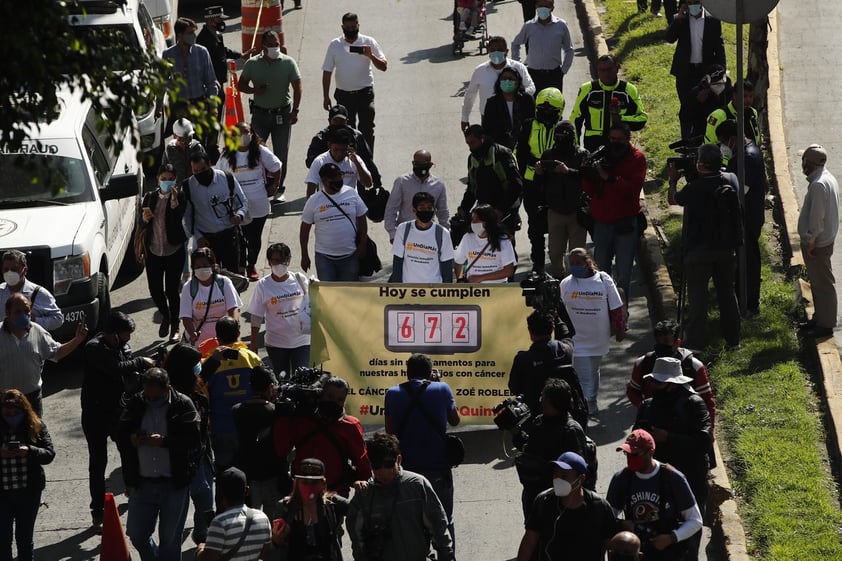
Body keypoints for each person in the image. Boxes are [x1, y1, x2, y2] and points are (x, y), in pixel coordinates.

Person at [82, 311, 155, 532]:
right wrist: (141, 361)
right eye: (125, 335)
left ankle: (132, 489)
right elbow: (116, 368)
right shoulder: (94, 347)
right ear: (113, 333)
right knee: (98, 462)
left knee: (128, 451)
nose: (128, 340)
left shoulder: (121, 346)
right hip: (95, 414)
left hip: (117, 411)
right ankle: (98, 511)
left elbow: (128, 368)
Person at [634, 357, 712, 561]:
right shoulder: (648, 406)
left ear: (671, 385)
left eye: (658, 383)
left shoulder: (694, 404)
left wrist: (669, 437)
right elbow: (635, 437)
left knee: (689, 532)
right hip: (656, 481)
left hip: (690, 476)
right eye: (652, 382)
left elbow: (703, 441)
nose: (653, 386)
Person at [120, 368, 201, 561]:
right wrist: (131, 438)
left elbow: (194, 442)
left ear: (168, 389)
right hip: (143, 482)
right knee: (137, 535)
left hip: (174, 483)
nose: (151, 400)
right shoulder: (136, 403)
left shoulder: (183, 404)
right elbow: (120, 433)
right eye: (148, 395)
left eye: (156, 397)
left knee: (170, 541)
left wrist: (165, 442)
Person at [667, 144, 741, 349]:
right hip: (726, 249)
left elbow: (673, 200)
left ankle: (697, 343)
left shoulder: (695, 187)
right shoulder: (731, 180)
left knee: (698, 299)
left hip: (698, 251)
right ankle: (733, 341)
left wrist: (673, 180)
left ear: (700, 164)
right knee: (727, 293)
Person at [384, 354, 460, 541]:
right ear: (430, 372)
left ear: (407, 372)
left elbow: (389, 431)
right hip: (438, 466)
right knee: (444, 519)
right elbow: (455, 420)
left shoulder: (392, 393)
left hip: (407, 469)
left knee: (410, 521)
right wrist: (438, 383)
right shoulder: (442, 389)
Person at [347, 432, 454, 561]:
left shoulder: (417, 485)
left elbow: (438, 526)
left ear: (399, 459)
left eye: (388, 464)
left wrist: (446, 556)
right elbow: (357, 538)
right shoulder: (365, 494)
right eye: (376, 466)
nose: (383, 471)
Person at [606, 429, 703, 561]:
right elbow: (607, 517)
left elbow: (695, 520)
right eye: (627, 453)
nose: (630, 458)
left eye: (635, 454)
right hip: (635, 553)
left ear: (650, 451)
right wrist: (622, 525)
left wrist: (671, 538)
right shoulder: (622, 478)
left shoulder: (672, 477)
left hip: (667, 552)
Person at [274, 376, 371, 497]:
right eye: (330, 397)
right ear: (321, 395)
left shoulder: (350, 425)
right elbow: (281, 449)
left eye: (340, 399)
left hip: (335, 494)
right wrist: (283, 418)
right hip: (301, 493)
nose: (334, 402)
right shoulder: (302, 419)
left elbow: (362, 462)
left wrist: (362, 484)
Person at [581, 122, 647, 304]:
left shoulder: (637, 159)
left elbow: (633, 189)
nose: (615, 142)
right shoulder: (603, 156)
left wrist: (610, 178)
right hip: (602, 221)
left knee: (623, 273)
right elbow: (590, 190)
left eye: (619, 139)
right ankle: (603, 308)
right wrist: (588, 174)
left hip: (625, 222)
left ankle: (621, 311)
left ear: (628, 140)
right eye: (612, 139)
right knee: (601, 271)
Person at [559, 248, 625, 419]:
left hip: (598, 337)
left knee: (594, 370)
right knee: (583, 374)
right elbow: (558, 309)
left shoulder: (603, 280)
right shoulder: (566, 284)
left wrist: (620, 328)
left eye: (577, 263)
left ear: (588, 262)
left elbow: (616, 307)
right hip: (576, 339)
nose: (574, 267)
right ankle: (585, 405)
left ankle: (592, 401)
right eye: (571, 263)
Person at [516, 452, 617, 561]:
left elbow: (612, 547)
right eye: (556, 475)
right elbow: (530, 541)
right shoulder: (543, 502)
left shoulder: (599, 507)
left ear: (581, 479)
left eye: (564, 476)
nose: (558, 480)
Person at [0, 293, 87, 417]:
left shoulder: (38, 332)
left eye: (26, 311)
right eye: (18, 311)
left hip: (32, 399)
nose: (23, 315)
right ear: (8, 313)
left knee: (36, 434)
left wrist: (77, 339)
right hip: (6, 401)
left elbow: (57, 352)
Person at [215, 122, 282, 281]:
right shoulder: (226, 156)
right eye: (239, 133)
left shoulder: (260, 151)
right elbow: (219, 177)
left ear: (252, 134)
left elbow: (276, 166)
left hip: (259, 202)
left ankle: (252, 264)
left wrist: (275, 185)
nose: (243, 136)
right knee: (240, 237)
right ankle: (241, 265)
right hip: (238, 205)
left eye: (246, 132)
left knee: (254, 238)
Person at [239, 30, 302, 196]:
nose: (275, 47)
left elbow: (297, 87)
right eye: (271, 45)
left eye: (277, 44)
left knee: (281, 153)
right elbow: (241, 85)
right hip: (260, 115)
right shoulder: (252, 64)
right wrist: (255, 90)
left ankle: (279, 188)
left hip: (282, 114)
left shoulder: (288, 63)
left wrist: (295, 110)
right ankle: (259, 184)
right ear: (263, 46)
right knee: (255, 150)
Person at [164, 343, 215, 545]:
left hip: (202, 456)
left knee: (205, 505)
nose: (199, 367)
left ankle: (201, 537)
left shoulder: (195, 387)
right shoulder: (170, 397)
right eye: (196, 364)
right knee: (181, 509)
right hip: (180, 463)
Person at [514, 382, 589, 518]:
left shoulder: (570, 431)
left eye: (544, 396)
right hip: (534, 495)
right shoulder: (539, 421)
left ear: (553, 401)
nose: (541, 400)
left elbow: (578, 470)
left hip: (559, 499)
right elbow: (528, 449)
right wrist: (516, 433)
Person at [717, 119, 768, 316]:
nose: (723, 146)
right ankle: (743, 300)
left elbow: (740, 190)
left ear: (732, 139)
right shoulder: (746, 152)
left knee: (748, 263)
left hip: (748, 218)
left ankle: (750, 303)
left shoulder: (747, 156)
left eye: (723, 142)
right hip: (747, 215)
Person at [200, 316, 261, 472]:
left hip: (221, 427)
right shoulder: (251, 358)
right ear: (239, 333)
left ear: (217, 337)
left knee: (224, 473)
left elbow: (201, 393)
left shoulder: (209, 362)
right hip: (249, 426)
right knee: (249, 471)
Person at [627, 320, 716, 427]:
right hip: (654, 424)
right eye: (658, 341)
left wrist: (710, 433)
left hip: (686, 426)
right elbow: (632, 391)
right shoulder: (643, 363)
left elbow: (707, 401)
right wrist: (646, 407)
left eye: (666, 341)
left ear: (677, 343)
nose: (661, 345)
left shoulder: (694, 366)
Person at [0, 390, 55, 561]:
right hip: (3, 494)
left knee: (24, 540)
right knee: (2, 541)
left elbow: (49, 453)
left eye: (15, 413)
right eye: (7, 413)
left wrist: (29, 450)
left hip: (28, 492)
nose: (11, 417)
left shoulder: (36, 425)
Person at [321, 12, 387, 153]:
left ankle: (367, 160)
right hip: (343, 95)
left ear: (358, 25)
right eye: (348, 27)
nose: (351, 29)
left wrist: (370, 55)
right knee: (345, 130)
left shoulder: (369, 42)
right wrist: (325, 96)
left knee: (367, 129)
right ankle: (348, 161)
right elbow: (327, 71)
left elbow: (383, 66)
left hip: (365, 93)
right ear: (342, 27)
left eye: (353, 26)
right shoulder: (335, 45)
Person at [516, 87, 565, 273]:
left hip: (556, 182)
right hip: (532, 183)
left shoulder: (564, 128)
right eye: (542, 110)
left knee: (556, 224)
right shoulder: (528, 125)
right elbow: (518, 151)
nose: (545, 113)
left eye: (550, 111)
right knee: (535, 226)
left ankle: (557, 263)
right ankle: (537, 263)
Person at [232, 366, 289, 517]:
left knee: (250, 523)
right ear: (270, 387)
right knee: (274, 522)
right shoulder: (276, 411)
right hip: (272, 476)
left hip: (248, 477)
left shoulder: (237, 410)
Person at [247, 243, 311, 376]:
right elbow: (256, 316)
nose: (280, 264)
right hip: (277, 344)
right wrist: (253, 344)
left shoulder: (300, 279)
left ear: (288, 260)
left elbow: (314, 303)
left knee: (303, 379)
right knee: (282, 379)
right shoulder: (263, 286)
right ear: (269, 262)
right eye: (276, 260)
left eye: (284, 260)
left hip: (302, 341)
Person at [140, 164, 188, 340]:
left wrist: (174, 202)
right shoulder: (150, 197)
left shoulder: (180, 196)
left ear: (175, 180)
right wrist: (144, 220)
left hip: (174, 251)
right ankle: (166, 316)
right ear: (158, 179)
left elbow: (178, 219)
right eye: (163, 178)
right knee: (155, 289)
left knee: (172, 291)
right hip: (153, 251)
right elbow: (142, 224)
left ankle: (175, 325)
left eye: (170, 179)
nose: (167, 182)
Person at [665, 0, 726, 140]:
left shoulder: (713, 21)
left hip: (705, 74)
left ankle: (703, 141)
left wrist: (719, 75)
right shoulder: (682, 20)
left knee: (705, 109)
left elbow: (720, 50)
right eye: (690, 2)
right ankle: (686, 143)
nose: (693, 5)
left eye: (696, 2)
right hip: (685, 74)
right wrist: (678, 19)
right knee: (687, 110)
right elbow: (669, 38)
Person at [536, 120, 589, 278]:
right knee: (554, 252)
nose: (560, 141)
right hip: (555, 212)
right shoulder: (549, 154)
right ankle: (561, 282)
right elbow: (539, 184)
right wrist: (539, 172)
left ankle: (579, 283)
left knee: (578, 255)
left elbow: (587, 178)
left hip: (577, 212)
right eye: (557, 137)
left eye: (563, 137)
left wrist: (568, 171)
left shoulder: (582, 154)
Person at [797, 144, 840, 338]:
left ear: (809, 164)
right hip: (824, 239)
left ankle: (826, 324)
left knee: (823, 284)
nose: (802, 165)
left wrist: (812, 240)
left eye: (804, 162)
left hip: (818, 243)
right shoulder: (827, 178)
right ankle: (819, 318)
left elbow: (817, 218)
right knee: (817, 282)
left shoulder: (818, 185)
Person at [269, 458, 349, 561]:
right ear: (296, 483)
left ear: (323, 484)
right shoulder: (285, 508)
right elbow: (271, 551)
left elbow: (359, 510)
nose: (309, 488)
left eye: (314, 483)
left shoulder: (332, 504)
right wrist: (276, 540)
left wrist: (362, 488)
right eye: (305, 482)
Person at [300, 163, 369, 282]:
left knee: (347, 293)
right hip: (324, 258)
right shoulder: (314, 201)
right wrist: (304, 255)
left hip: (350, 255)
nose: (338, 180)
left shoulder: (351, 193)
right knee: (328, 294)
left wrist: (363, 242)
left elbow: (362, 218)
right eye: (334, 178)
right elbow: (304, 230)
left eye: (339, 176)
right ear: (324, 181)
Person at [183, 152, 249, 273]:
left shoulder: (226, 178)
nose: (199, 174)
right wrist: (198, 237)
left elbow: (243, 201)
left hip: (229, 236)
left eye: (203, 169)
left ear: (209, 164)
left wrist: (240, 215)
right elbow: (187, 218)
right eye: (195, 171)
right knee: (209, 278)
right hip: (206, 240)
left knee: (232, 276)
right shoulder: (188, 187)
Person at [196, 6, 246, 161]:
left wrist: (240, 55)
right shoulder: (203, 39)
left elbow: (223, 51)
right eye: (219, 19)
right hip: (210, 86)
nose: (222, 22)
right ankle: (208, 149)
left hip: (219, 83)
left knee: (217, 118)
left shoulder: (217, 35)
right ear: (211, 20)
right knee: (211, 118)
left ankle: (212, 147)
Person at [569, 54, 648, 152]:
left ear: (617, 69)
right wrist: (576, 148)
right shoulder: (587, 89)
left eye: (609, 69)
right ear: (597, 71)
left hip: (619, 147)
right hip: (593, 146)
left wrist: (622, 119)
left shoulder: (628, 90)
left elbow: (642, 118)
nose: (606, 73)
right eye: (602, 70)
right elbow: (575, 119)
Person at [196, 467, 272, 561]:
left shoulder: (219, 523)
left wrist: (200, 549)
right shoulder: (263, 518)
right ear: (247, 491)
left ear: (221, 493)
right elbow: (265, 555)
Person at [461, 36, 536, 132]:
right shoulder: (480, 71)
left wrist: (517, 95)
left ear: (506, 51)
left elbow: (531, 87)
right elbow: (470, 95)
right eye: (492, 50)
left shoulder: (518, 67)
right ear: (488, 51)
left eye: (500, 50)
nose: (496, 52)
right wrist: (465, 117)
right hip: (489, 118)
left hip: (516, 115)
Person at [459, 125, 524, 234]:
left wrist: (501, 209)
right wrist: (464, 208)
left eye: (473, 142)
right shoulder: (472, 159)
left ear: (482, 138)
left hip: (505, 210)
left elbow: (516, 185)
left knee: (504, 246)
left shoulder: (502, 154)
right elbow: (472, 187)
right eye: (468, 143)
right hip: (484, 209)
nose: (470, 147)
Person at [508, 310, 574, 416]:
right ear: (552, 328)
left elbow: (514, 387)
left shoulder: (522, 359)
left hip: (534, 416)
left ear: (530, 331)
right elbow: (567, 335)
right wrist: (557, 316)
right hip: (567, 414)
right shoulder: (565, 351)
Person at [306, 105, 382, 189]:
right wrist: (331, 156)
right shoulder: (320, 138)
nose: (338, 123)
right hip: (328, 183)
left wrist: (377, 180)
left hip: (353, 180)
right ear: (329, 121)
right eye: (335, 120)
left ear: (347, 121)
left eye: (341, 121)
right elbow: (310, 162)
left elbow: (367, 160)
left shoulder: (356, 136)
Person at [163, 18, 218, 135]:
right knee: (182, 141)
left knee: (200, 140)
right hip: (180, 108)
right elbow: (162, 82)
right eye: (190, 33)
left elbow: (211, 80)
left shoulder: (202, 52)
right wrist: (158, 107)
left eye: (194, 32)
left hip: (199, 105)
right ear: (180, 35)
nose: (194, 36)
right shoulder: (168, 54)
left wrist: (213, 106)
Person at [179, 248, 243, 346]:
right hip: (199, 343)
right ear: (193, 268)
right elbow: (186, 318)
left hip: (224, 341)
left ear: (213, 266)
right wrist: (193, 335)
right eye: (198, 266)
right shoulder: (188, 287)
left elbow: (233, 309)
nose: (201, 269)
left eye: (205, 266)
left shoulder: (224, 282)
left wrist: (233, 331)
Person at [384, 150, 450, 242]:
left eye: (423, 164)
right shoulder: (402, 182)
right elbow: (391, 209)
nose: (419, 166)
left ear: (430, 165)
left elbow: (443, 211)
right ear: (413, 163)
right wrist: (393, 233)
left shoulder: (438, 185)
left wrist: (445, 234)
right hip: (404, 235)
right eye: (416, 163)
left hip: (429, 235)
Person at [511, 0, 575, 94]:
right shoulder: (529, 26)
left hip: (553, 75)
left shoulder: (561, 25)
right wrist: (519, 66)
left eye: (546, 6)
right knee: (532, 105)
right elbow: (515, 44)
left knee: (553, 106)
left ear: (552, 7)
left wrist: (563, 70)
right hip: (533, 75)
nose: (542, 9)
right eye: (540, 6)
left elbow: (569, 49)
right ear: (536, 7)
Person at [389, 192, 455, 283]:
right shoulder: (403, 229)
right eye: (422, 208)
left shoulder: (442, 233)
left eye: (429, 208)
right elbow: (397, 261)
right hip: (408, 289)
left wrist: (446, 292)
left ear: (434, 210)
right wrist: (397, 288)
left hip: (433, 290)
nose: (426, 211)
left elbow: (447, 265)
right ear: (414, 210)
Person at [0, 250, 63, 332]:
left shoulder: (39, 293)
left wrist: (34, 321)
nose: (9, 273)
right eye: (6, 269)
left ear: (25, 270)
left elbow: (58, 319)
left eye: (14, 269)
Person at [454, 204, 516, 283]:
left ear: (487, 222)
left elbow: (509, 271)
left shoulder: (503, 240)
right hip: (474, 289)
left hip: (497, 289)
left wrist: (481, 278)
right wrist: (460, 280)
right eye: (472, 220)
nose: (473, 223)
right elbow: (459, 262)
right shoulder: (467, 238)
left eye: (477, 220)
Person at [304, 127, 373, 198]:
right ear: (329, 145)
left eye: (343, 150)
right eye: (336, 150)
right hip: (328, 204)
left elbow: (368, 184)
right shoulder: (319, 161)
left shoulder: (355, 160)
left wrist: (357, 163)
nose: (339, 153)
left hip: (350, 202)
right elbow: (311, 187)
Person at [481, 67, 536, 150]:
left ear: (517, 82)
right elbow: (487, 129)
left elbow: (533, 123)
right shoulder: (492, 103)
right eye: (504, 78)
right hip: (500, 149)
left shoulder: (527, 100)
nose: (507, 81)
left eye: (511, 79)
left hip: (524, 147)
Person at [704, 80, 761, 148]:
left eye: (751, 96)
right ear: (734, 95)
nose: (748, 100)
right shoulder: (718, 116)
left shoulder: (753, 112)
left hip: (751, 155)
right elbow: (711, 146)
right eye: (744, 96)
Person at [162, 118, 207, 183]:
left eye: (189, 138)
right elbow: (164, 171)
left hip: (195, 186)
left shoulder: (197, 148)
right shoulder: (169, 150)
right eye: (182, 139)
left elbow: (206, 168)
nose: (186, 142)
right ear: (175, 136)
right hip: (178, 188)